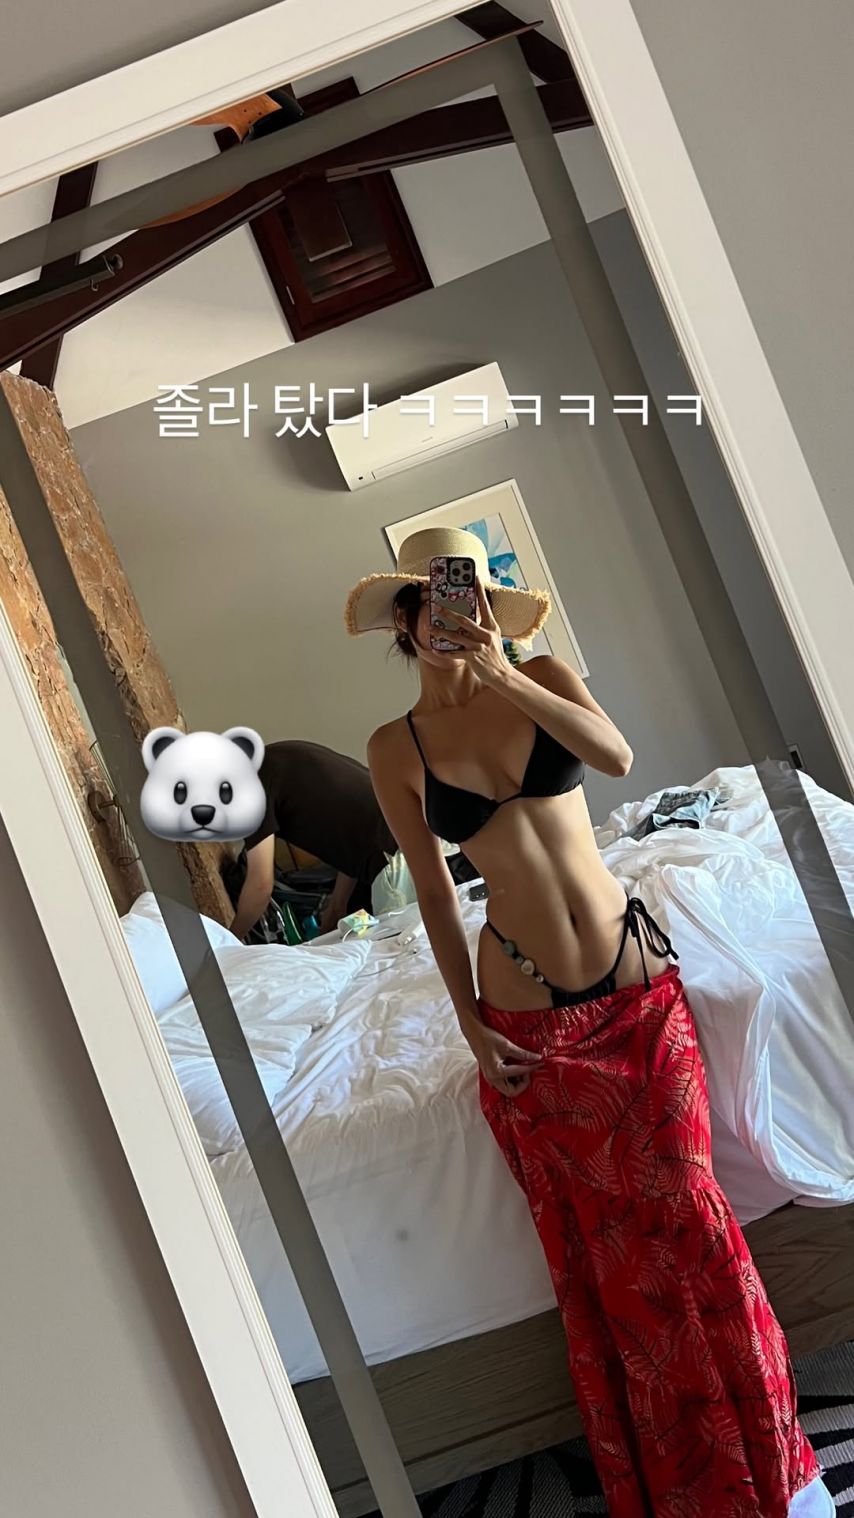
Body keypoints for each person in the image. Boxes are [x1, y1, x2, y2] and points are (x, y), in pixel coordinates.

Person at [345, 526, 831, 1518]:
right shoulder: (395, 748)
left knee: (691, 1222)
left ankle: (775, 1475)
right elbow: (433, 894)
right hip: (526, 1013)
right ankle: (686, 1494)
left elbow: (614, 754)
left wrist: (503, 672)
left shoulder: (542, 676)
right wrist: (468, 1023)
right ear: (402, 618)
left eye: (467, 593)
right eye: (430, 598)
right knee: (613, 1268)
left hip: (634, 985)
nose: (449, 613)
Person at [228, 740, 396, 939]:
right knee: (345, 928)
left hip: (396, 870)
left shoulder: (250, 791)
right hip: (396, 845)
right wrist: (338, 903)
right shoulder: (276, 756)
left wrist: (229, 940)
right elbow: (355, 830)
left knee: (361, 938)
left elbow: (261, 886)